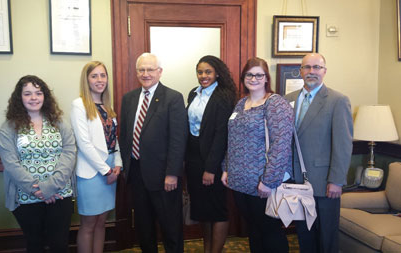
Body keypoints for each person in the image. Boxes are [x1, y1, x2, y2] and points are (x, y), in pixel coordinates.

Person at [221, 57, 293, 253]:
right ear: (243, 77)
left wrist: (269, 181)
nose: (254, 78)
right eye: (249, 74)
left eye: (259, 75)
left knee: (270, 230)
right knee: (253, 228)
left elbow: (281, 145)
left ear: (266, 78)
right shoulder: (241, 103)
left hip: (262, 183)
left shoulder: (275, 103)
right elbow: (232, 140)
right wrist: (226, 168)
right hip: (239, 181)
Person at [0, 75, 76, 253]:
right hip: (26, 197)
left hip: (60, 193)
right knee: (35, 244)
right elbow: (11, 163)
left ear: (45, 96)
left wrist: (50, 187)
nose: (34, 98)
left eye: (38, 93)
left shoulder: (59, 123)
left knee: (59, 245)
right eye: (28, 94)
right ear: (20, 97)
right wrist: (38, 189)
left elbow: (69, 152)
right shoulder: (9, 127)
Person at [119, 52, 188, 253]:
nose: (146, 73)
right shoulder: (129, 98)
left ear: (159, 72)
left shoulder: (173, 98)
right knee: (144, 227)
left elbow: (178, 139)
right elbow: (125, 136)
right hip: (136, 173)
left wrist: (172, 173)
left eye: (150, 69)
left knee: (170, 228)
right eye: (142, 69)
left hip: (164, 176)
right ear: (136, 72)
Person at [285, 53, 353, 253]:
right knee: (305, 235)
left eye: (317, 67)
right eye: (307, 67)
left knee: (327, 237)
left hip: (324, 183)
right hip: (295, 182)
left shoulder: (337, 100)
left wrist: (337, 180)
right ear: (300, 71)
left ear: (324, 71)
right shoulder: (288, 100)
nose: (311, 72)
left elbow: (343, 144)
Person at [185, 55, 236, 253]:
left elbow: (221, 134)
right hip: (193, 159)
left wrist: (210, 169)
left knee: (217, 211)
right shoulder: (193, 94)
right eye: (200, 72)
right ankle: (208, 249)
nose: (203, 76)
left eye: (208, 72)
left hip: (212, 162)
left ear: (217, 73)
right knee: (201, 211)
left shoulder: (224, 96)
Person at [70, 61, 122, 253]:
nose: (100, 80)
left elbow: (114, 140)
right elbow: (84, 144)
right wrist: (106, 170)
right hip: (93, 172)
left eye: (103, 75)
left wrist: (117, 165)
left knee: (102, 222)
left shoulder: (107, 106)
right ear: (87, 80)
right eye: (94, 76)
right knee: (89, 223)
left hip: (111, 170)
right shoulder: (79, 105)